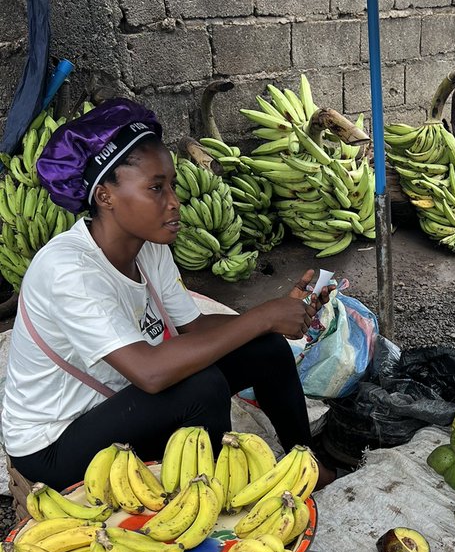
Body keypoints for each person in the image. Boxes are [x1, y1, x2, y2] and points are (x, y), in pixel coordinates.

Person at [2, 97, 335, 491]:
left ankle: (306, 464)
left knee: (266, 349)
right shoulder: (68, 271)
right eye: (156, 188)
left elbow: (194, 326)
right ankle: (212, 499)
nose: (174, 202)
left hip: (118, 403)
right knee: (201, 388)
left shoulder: (149, 246)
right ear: (105, 196)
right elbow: (151, 372)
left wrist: (275, 317)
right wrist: (261, 317)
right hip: (54, 447)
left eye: (172, 185)